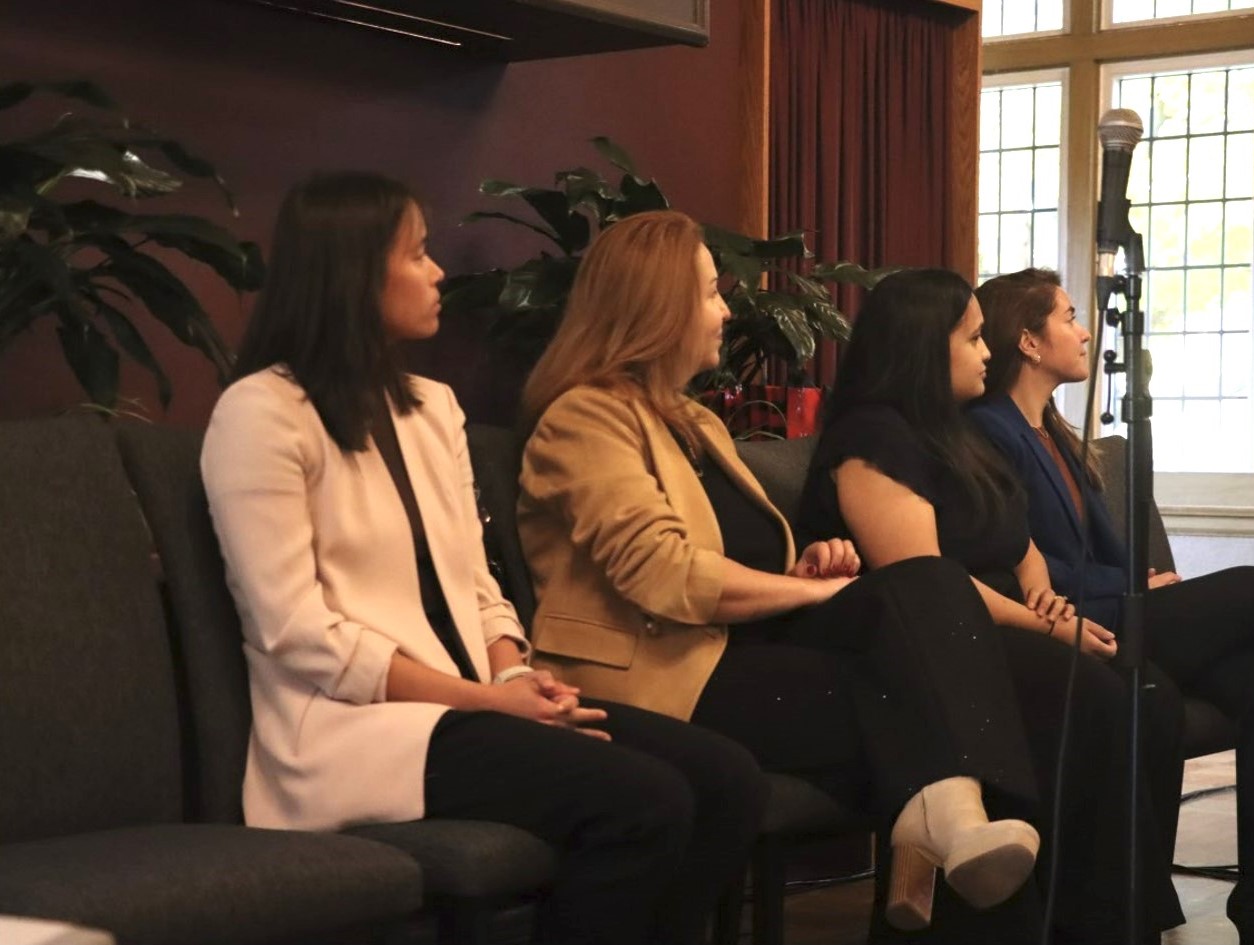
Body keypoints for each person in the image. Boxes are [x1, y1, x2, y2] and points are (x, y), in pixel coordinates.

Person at [200, 172, 768, 945]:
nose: (437, 272)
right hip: (354, 732)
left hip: (467, 703)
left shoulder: (431, 408)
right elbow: (295, 631)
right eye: (419, 253)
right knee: (644, 799)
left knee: (726, 779)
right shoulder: (261, 413)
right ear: (357, 271)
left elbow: (476, 580)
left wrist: (511, 676)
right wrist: (484, 702)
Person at [517, 210, 1048, 939]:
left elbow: (736, 556)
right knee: (922, 698)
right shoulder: (583, 419)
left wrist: (801, 563)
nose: (725, 310)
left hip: (737, 653)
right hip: (658, 675)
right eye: (709, 293)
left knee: (926, 590)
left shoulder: (694, 423)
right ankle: (949, 818)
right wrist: (815, 589)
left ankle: (950, 817)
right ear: (656, 305)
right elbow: (664, 573)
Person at [971, 266, 1254, 945]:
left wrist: (1144, 581)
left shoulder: (1057, 435)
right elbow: (1023, 562)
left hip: (1117, 604)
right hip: (1072, 625)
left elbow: (1100, 548)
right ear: (1029, 342)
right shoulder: (989, 430)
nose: (1085, 329)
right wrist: (1127, 590)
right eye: (1068, 316)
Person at [798, 267, 1187, 944]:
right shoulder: (871, 437)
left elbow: (1017, 540)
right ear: (925, 346)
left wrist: (1045, 597)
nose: (987, 352)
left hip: (991, 623)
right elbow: (926, 581)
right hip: (912, 649)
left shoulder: (946, 434)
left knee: (1136, 694)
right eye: (973, 337)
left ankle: (1112, 922)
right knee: (1086, 696)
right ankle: (1081, 923)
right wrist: (1047, 624)